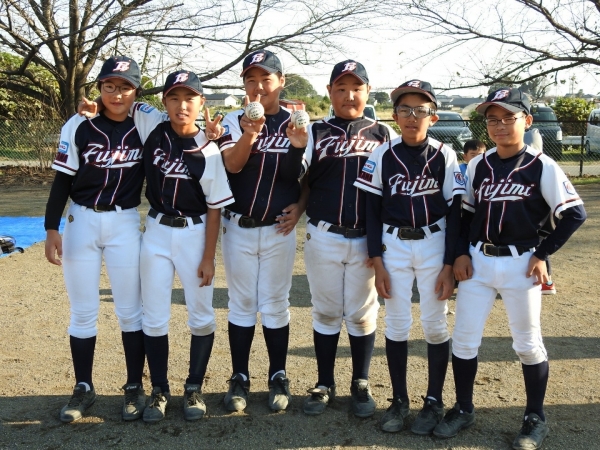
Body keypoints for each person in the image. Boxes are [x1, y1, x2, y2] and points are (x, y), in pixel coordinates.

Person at [433, 87, 586, 450]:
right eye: (492, 119)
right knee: (465, 340)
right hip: (479, 261)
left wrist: (542, 253)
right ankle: (464, 407)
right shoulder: (478, 165)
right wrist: (460, 254)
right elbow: (463, 214)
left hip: (521, 263)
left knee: (527, 343)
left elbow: (574, 214)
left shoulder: (541, 165)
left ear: (527, 121)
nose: (499, 125)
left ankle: (535, 417)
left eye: (508, 118)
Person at [121, 70, 233, 423]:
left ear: (201, 102)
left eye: (189, 98)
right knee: (153, 317)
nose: (181, 105)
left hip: (194, 234)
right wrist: (88, 109)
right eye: (174, 97)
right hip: (156, 231)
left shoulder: (209, 149)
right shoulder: (152, 124)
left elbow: (215, 208)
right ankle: (159, 390)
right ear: (164, 101)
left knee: (201, 315)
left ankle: (194, 387)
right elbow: (120, 99)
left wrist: (208, 257)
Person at [355, 80, 465, 434]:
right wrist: (377, 261)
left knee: (435, 323)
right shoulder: (382, 154)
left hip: (434, 241)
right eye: (405, 109)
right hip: (394, 244)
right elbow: (371, 211)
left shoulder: (444, 154)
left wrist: (448, 264)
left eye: (421, 110)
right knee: (397, 323)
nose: (412, 116)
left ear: (433, 117)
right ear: (395, 115)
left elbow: (456, 211)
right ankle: (399, 400)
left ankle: (433, 401)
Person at [44, 56, 147, 422]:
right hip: (82, 220)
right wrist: (51, 228)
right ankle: (83, 386)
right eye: (109, 86)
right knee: (83, 311)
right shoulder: (78, 124)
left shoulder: (145, 122)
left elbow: (179, 120)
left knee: (130, 311)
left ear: (136, 91)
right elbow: (62, 179)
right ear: (99, 88)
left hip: (124, 222)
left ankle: (134, 385)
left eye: (125, 87)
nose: (116, 94)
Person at [300, 60, 397, 418]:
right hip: (324, 233)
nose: (349, 95)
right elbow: (299, 177)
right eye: (341, 88)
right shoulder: (315, 131)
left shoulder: (384, 134)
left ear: (368, 91)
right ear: (329, 92)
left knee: (361, 314)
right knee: (326, 311)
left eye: (356, 88)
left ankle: (361, 381)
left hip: (366, 239)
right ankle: (324, 382)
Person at [218, 49, 308, 412]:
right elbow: (233, 165)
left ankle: (278, 375)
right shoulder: (232, 119)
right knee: (241, 303)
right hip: (238, 225)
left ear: (281, 81)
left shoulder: (295, 121)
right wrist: (249, 134)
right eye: (251, 80)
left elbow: (296, 176)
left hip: (278, 229)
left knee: (275, 303)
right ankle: (240, 376)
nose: (258, 86)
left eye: (266, 79)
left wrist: (300, 205)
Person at [524, 128, 557, 295]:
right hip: (539, 218)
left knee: (540, 248)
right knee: (538, 247)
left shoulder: (543, 165)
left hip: (541, 218)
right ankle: (545, 281)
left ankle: (547, 281)